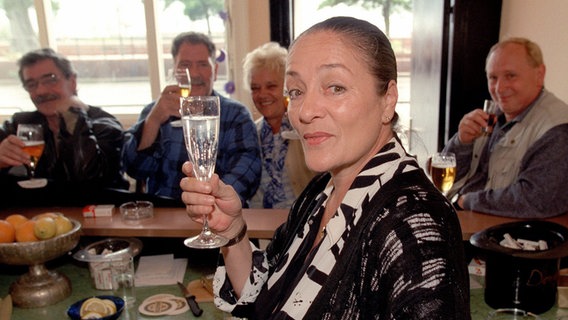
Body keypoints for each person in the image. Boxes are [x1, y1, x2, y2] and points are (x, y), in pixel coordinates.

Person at [180, 17, 470, 319]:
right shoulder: (319, 193)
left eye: (335, 87)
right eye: (295, 92)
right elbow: (264, 293)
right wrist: (232, 230)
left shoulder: (412, 223)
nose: (304, 112)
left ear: (388, 100)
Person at [122, 32, 261, 206]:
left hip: (216, 215)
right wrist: (154, 121)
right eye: (185, 65)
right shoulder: (155, 111)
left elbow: (247, 176)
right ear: (175, 71)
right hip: (164, 218)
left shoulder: (236, 115)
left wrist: (203, 203)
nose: (194, 73)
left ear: (215, 71)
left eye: (202, 64)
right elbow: (135, 170)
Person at [443, 37, 568, 218]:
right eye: (493, 77)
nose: (499, 88)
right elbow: (450, 177)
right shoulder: (494, 116)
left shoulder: (557, 131)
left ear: (539, 74)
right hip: (462, 221)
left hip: (501, 237)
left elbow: (535, 199)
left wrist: (467, 201)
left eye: (511, 76)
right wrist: (461, 142)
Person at [0, 48, 128, 207]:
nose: (40, 91)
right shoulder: (19, 125)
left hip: (97, 225)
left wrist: (73, 116)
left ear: (72, 82)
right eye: (31, 84)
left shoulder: (105, 125)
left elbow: (87, 182)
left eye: (50, 79)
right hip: (33, 223)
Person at [243, 42, 315, 209]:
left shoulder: (305, 127)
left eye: (271, 86)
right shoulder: (249, 133)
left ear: (287, 88)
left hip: (302, 224)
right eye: (255, 88)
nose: (262, 94)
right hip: (258, 227)